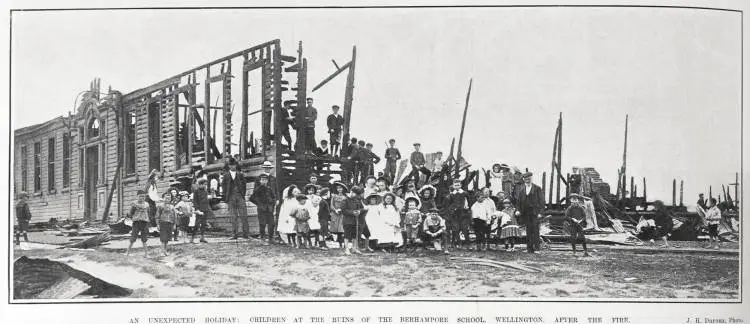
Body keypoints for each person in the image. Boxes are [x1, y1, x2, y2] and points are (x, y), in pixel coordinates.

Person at [514, 172, 545, 253]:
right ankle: (529, 248)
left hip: (534, 212)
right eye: (526, 179)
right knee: (528, 230)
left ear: (531, 178)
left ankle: (537, 249)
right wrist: (517, 210)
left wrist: (540, 213)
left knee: (535, 230)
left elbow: (542, 201)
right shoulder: (521, 189)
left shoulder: (537, 188)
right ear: (523, 179)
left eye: (529, 178)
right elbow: (518, 202)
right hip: (526, 212)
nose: (527, 180)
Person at [222, 158, 249, 239]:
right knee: (233, 216)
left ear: (236, 165)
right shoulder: (225, 175)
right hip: (230, 197)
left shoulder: (240, 174)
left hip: (240, 196)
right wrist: (226, 198)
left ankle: (246, 234)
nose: (232, 166)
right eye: (231, 165)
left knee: (244, 215)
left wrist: (242, 195)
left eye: (234, 165)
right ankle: (234, 234)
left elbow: (244, 185)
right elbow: (223, 187)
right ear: (229, 166)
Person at [249, 173, 276, 244]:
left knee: (272, 224)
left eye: (265, 180)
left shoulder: (269, 188)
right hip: (261, 209)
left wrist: (272, 203)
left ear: (267, 181)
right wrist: (259, 204)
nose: (264, 181)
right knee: (262, 224)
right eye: (263, 180)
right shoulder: (258, 189)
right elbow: (251, 198)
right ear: (260, 181)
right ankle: (262, 239)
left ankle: (271, 238)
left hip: (269, 209)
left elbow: (273, 197)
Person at [444, 179, 470, 249]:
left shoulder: (465, 193)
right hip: (455, 215)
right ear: (453, 186)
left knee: (464, 229)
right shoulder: (451, 195)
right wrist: (452, 210)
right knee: (455, 229)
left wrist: (467, 209)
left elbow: (469, 202)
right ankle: (456, 243)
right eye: (455, 185)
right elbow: (449, 205)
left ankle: (468, 244)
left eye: (458, 185)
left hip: (463, 213)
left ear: (461, 185)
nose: (457, 186)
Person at [125, 190, 151, 256]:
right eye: (140, 196)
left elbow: (148, 212)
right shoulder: (134, 204)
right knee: (133, 237)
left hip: (144, 223)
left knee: (144, 238)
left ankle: (146, 254)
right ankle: (127, 252)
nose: (142, 198)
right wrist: (134, 218)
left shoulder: (147, 204)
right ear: (137, 196)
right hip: (136, 223)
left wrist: (147, 220)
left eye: (143, 196)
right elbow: (131, 213)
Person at [342, 186, 367, 255]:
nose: (356, 196)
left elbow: (362, 209)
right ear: (352, 192)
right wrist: (352, 212)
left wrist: (359, 211)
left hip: (355, 221)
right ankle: (346, 249)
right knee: (346, 235)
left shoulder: (357, 200)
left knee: (355, 235)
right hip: (347, 221)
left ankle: (354, 248)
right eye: (355, 194)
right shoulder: (345, 199)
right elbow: (343, 210)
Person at [156, 191, 179, 256]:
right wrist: (158, 224)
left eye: (169, 198)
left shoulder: (172, 207)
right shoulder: (160, 206)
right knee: (163, 238)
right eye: (166, 198)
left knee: (167, 238)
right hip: (163, 223)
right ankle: (162, 251)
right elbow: (157, 216)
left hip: (170, 223)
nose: (167, 200)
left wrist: (174, 224)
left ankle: (165, 251)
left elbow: (175, 216)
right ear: (163, 198)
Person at [329, 182, 349, 248]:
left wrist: (341, 210)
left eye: (340, 188)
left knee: (342, 229)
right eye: (338, 188)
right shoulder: (334, 196)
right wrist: (335, 210)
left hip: (342, 214)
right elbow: (331, 205)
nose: (339, 189)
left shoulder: (345, 197)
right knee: (335, 228)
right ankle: (338, 243)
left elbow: (346, 205)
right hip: (335, 214)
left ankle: (343, 244)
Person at [192, 179, 211, 243]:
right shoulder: (196, 191)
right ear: (200, 184)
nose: (205, 186)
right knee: (197, 224)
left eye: (206, 184)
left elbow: (206, 200)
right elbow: (195, 201)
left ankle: (202, 237)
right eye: (204, 184)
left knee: (203, 224)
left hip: (205, 209)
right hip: (199, 210)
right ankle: (192, 237)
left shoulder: (205, 191)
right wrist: (197, 209)